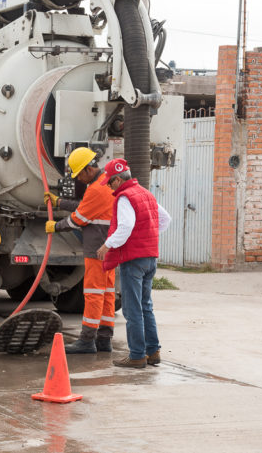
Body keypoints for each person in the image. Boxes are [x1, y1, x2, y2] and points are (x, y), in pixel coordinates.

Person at [96, 159, 171, 368]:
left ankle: (137, 355)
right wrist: (146, 237)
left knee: (132, 309)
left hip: (133, 260)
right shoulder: (145, 193)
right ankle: (153, 352)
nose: (109, 187)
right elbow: (165, 220)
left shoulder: (124, 197)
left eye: (110, 183)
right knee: (146, 306)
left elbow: (126, 226)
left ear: (118, 179)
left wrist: (107, 245)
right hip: (150, 259)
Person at [44, 147, 116, 354]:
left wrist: (55, 226)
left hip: (96, 249)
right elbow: (86, 206)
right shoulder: (107, 182)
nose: (79, 180)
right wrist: (59, 201)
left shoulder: (96, 188)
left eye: (79, 175)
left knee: (93, 293)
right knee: (107, 293)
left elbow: (78, 219)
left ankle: (86, 340)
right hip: (111, 248)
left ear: (87, 169)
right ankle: (104, 339)